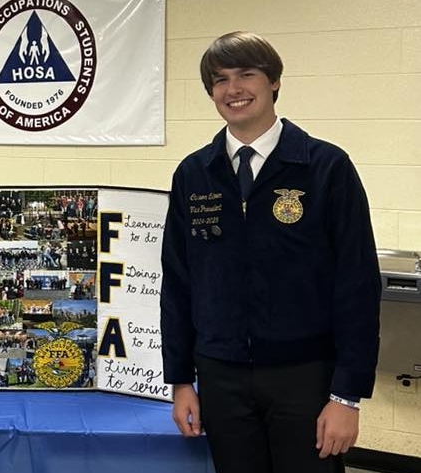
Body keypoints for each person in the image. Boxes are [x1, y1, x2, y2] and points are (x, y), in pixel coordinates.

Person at [160, 31, 381, 473]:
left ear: (274, 81)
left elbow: (357, 284)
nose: (233, 89)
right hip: (221, 375)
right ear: (210, 92)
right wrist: (181, 380)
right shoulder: (194, 174)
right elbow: (179, 283)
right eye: (220, 80)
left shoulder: (325, 168)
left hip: (304, 375)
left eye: (247, 74)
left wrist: (346, 396)